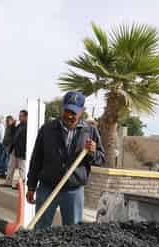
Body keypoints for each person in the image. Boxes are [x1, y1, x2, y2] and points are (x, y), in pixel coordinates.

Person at [26, 91, 105, 228]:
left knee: (72, 231)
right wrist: (31, 186)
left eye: (73, 112)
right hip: (47, 188)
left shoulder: (90, 132)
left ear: (81, 112)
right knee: (41, 230)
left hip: (73, 191)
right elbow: (36, 159)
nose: (69, 115)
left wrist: (92, 152)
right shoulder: (47, 129)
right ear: (62, 108)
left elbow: (100, 160)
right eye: (67, 111)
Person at [0, 111, 28, 189]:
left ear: (26, 117)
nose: (19, 117)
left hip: (22, 150)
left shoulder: (28, 126)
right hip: (14, 149)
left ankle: (22, 185)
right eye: (19, 115)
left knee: (22, 168)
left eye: (21, 116)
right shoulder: (19, 125)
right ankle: (8, 182)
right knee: (10, 166)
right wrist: (12, 125)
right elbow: (13, 133)